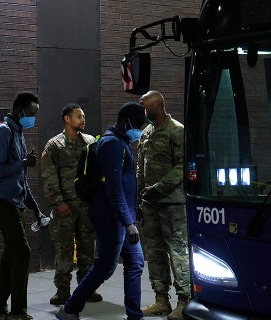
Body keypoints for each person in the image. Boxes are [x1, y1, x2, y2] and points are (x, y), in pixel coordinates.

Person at [56, 102, 149, 320]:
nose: (140, 130)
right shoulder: (111, 144)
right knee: (105, 267)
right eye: (137, 125)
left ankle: (135, 316)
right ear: (126, 122)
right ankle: (69, 309)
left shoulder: (121, 142)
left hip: (122, 216)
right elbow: (113, 187)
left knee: (135, 263)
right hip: (111, 218)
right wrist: (128, 222)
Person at [40, 103, 102, 305]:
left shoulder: (91, 142)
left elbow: (96, 173)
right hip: (65, 208)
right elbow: (49, 176)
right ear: (67, 119)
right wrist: (58, 202)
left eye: (83, 116)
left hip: (86, 206)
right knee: (64, 250)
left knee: (87, 251)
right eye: (78, 116)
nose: (83, 120)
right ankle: (63, 291)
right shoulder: (54, 145)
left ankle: (87, 289)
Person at [0, 91, 43, 320]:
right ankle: (18, 311)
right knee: (22, 251)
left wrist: (35, 208)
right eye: (31, 114)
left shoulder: (19, 133)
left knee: (11, 255)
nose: (33, 119)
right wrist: (22, 163)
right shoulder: (4, 132)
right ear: (19, 110)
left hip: (17, 201)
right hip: (4, 201)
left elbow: (21, 178)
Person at [136, 90, 189, 320]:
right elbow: (140, 168)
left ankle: (185, 300)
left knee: (178, 252)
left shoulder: (177, 130)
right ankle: (161, 299)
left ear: (156, 107)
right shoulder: (146, 133)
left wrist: (159, 186)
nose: (143, 112)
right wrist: (139, 197)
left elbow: (182, 167)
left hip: (172, 202)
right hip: (150, 203)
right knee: (155, 252)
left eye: (145, 107)